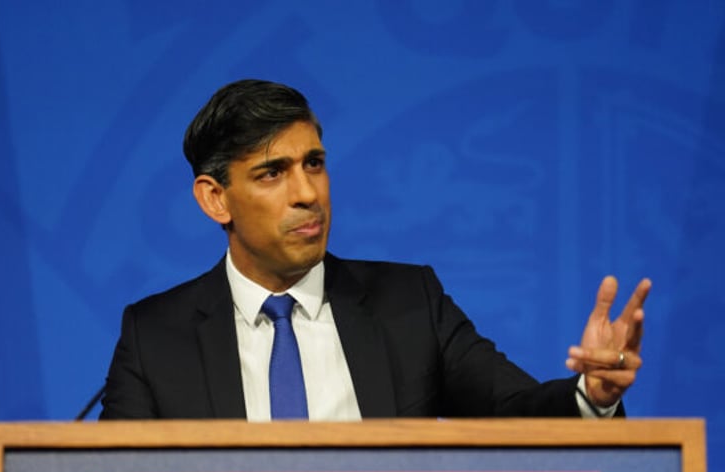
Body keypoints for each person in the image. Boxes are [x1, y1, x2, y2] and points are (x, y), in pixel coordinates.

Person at [99, 79, 650, 422]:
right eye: (273, 174)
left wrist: (592, 395)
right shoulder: (155, 336)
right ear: (216, 199)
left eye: (313, 163)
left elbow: (512, 410)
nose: (308, 193)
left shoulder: (409, 303)